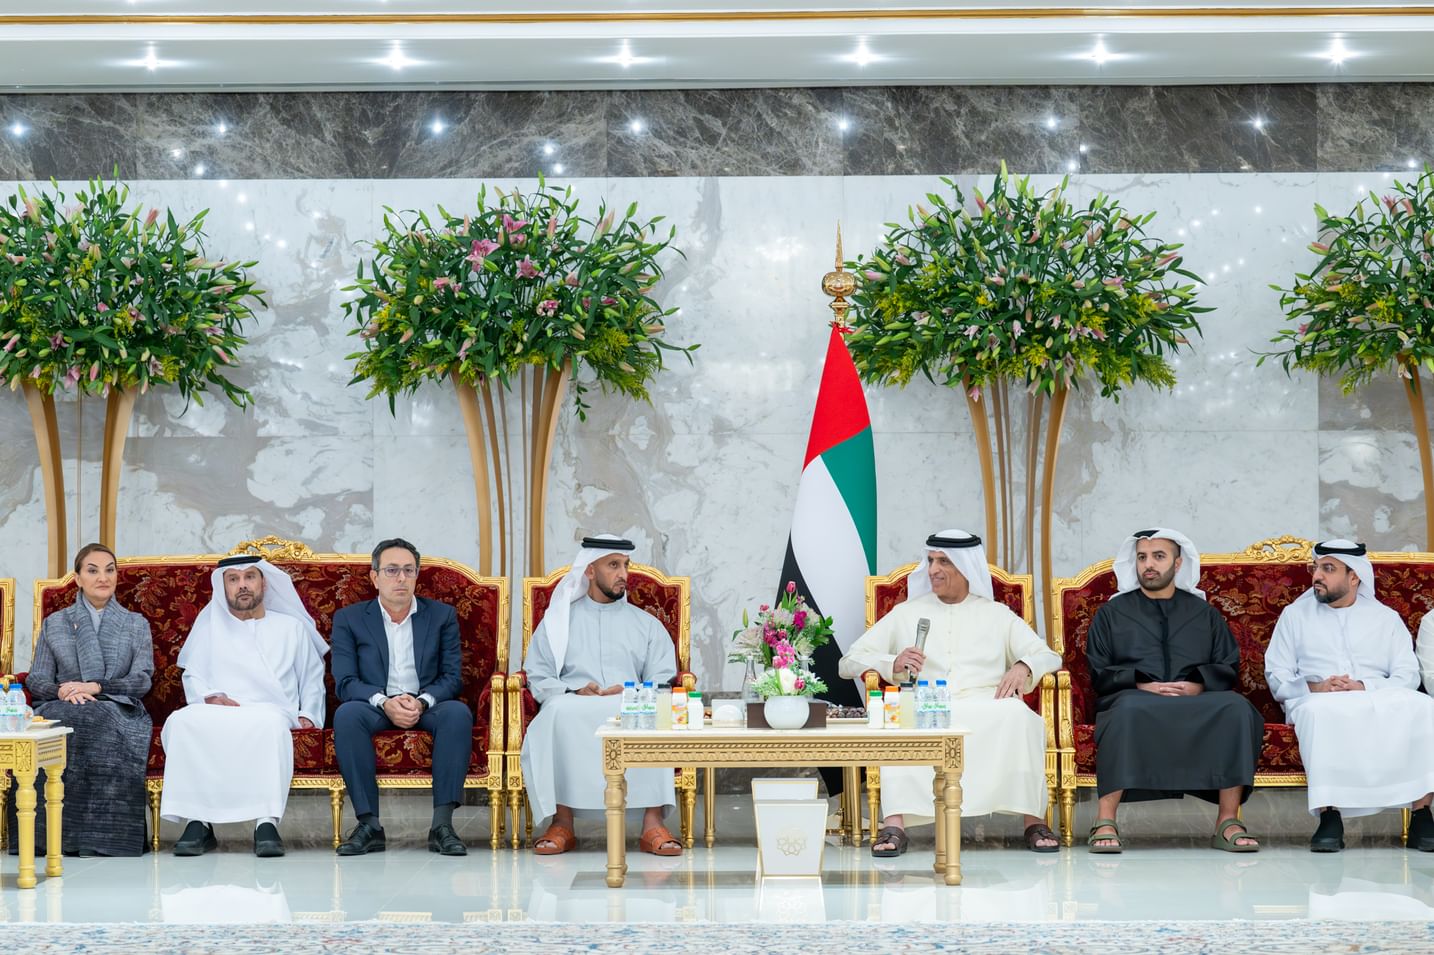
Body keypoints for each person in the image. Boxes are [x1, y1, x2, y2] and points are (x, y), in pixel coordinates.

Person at [838, 530, 1061, 856]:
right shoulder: (906, 613)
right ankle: (894, 825)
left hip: (986, 703)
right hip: (927, 701)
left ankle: (1034, 822)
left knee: (1020, 716)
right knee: (899, 721)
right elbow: (849, 661)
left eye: (944, 562)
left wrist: (1024, 665)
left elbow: (1050, 656)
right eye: (930, 561)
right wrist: (891, 662)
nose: (933, 570)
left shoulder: (997, 614)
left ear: (966, 567)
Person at [1085, 528, 1264, 853]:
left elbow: (1228, 664)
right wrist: (1142, 684)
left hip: (1196, 698)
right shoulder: (1112, 613)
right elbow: (1098, 669)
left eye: (1158, 556)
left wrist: (1198, 685)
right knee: (1125, 710)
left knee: (1236, 708)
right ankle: (1105, 819)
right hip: (1135, 696)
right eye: (1142, 557)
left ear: (1178, 563)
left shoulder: (1204, 613)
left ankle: (1228, 821)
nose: (1149, 565)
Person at [1266, 540, 1434, 852]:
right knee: (1320, 712)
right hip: (1317, 698)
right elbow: (1277, 675)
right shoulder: (1295, 616)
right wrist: (1317, 687)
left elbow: (1408, 674)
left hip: (1376, 695)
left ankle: (1422, 814)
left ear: (1354, 576)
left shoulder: (1385, 618)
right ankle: (1329, 816)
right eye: (1316, 567)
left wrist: (1364, 686)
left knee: (1425, 707)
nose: (1317, 576)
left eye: (1328, 569)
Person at [521, 535, 681, 856]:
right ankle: (562, 821)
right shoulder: (558, 624)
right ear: (590, 571)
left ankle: (653, 823)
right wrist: (573, 689)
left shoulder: (646, 624)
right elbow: (537, 674)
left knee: (655, 709)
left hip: (629, 703)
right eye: (613, 565)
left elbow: (663, 677)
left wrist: (634, 690)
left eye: (626, 566)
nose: (623, 574)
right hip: (574, 702)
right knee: (557, 711)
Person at [161, 554, 328, 858]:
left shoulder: (291, 627)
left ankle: (266, 823)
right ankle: (198, 822)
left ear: (264, 583)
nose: (242, 585)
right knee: (181, 722)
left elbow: (312, 677)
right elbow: (193, 675)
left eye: (250, 577)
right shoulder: (210, 626)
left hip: (271, 709)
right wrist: (210, 696)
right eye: (233, 579)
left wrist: (308, 715)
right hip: (217, 707)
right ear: (223, 587)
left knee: (269, 725)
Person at [8, 543, 153, 857]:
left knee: (98, 717)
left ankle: (105, 839)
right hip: (63, 703)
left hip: (117, 706)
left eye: (110, 570)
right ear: (77, 578)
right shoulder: (56, 623)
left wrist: (96, 687)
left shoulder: (135, 624)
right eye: (93, 570)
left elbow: (142, 680)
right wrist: (63, 690)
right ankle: (46, 838)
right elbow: (37, 679)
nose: (103, 577)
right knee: (65, 721)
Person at [331, 538, 473, 857]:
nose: (401, 578)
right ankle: (369, 825)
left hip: (426, 703)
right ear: (375, 577)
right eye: (392, 570)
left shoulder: (441, 616)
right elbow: (346, 681)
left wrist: (421, 702)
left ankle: (442, 825)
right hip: (375, 704)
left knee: (457, 714)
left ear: (417, 575)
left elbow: (452, 677)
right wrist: (384, 702)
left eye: (409, 570)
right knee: (347, 715)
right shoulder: (350, 619)